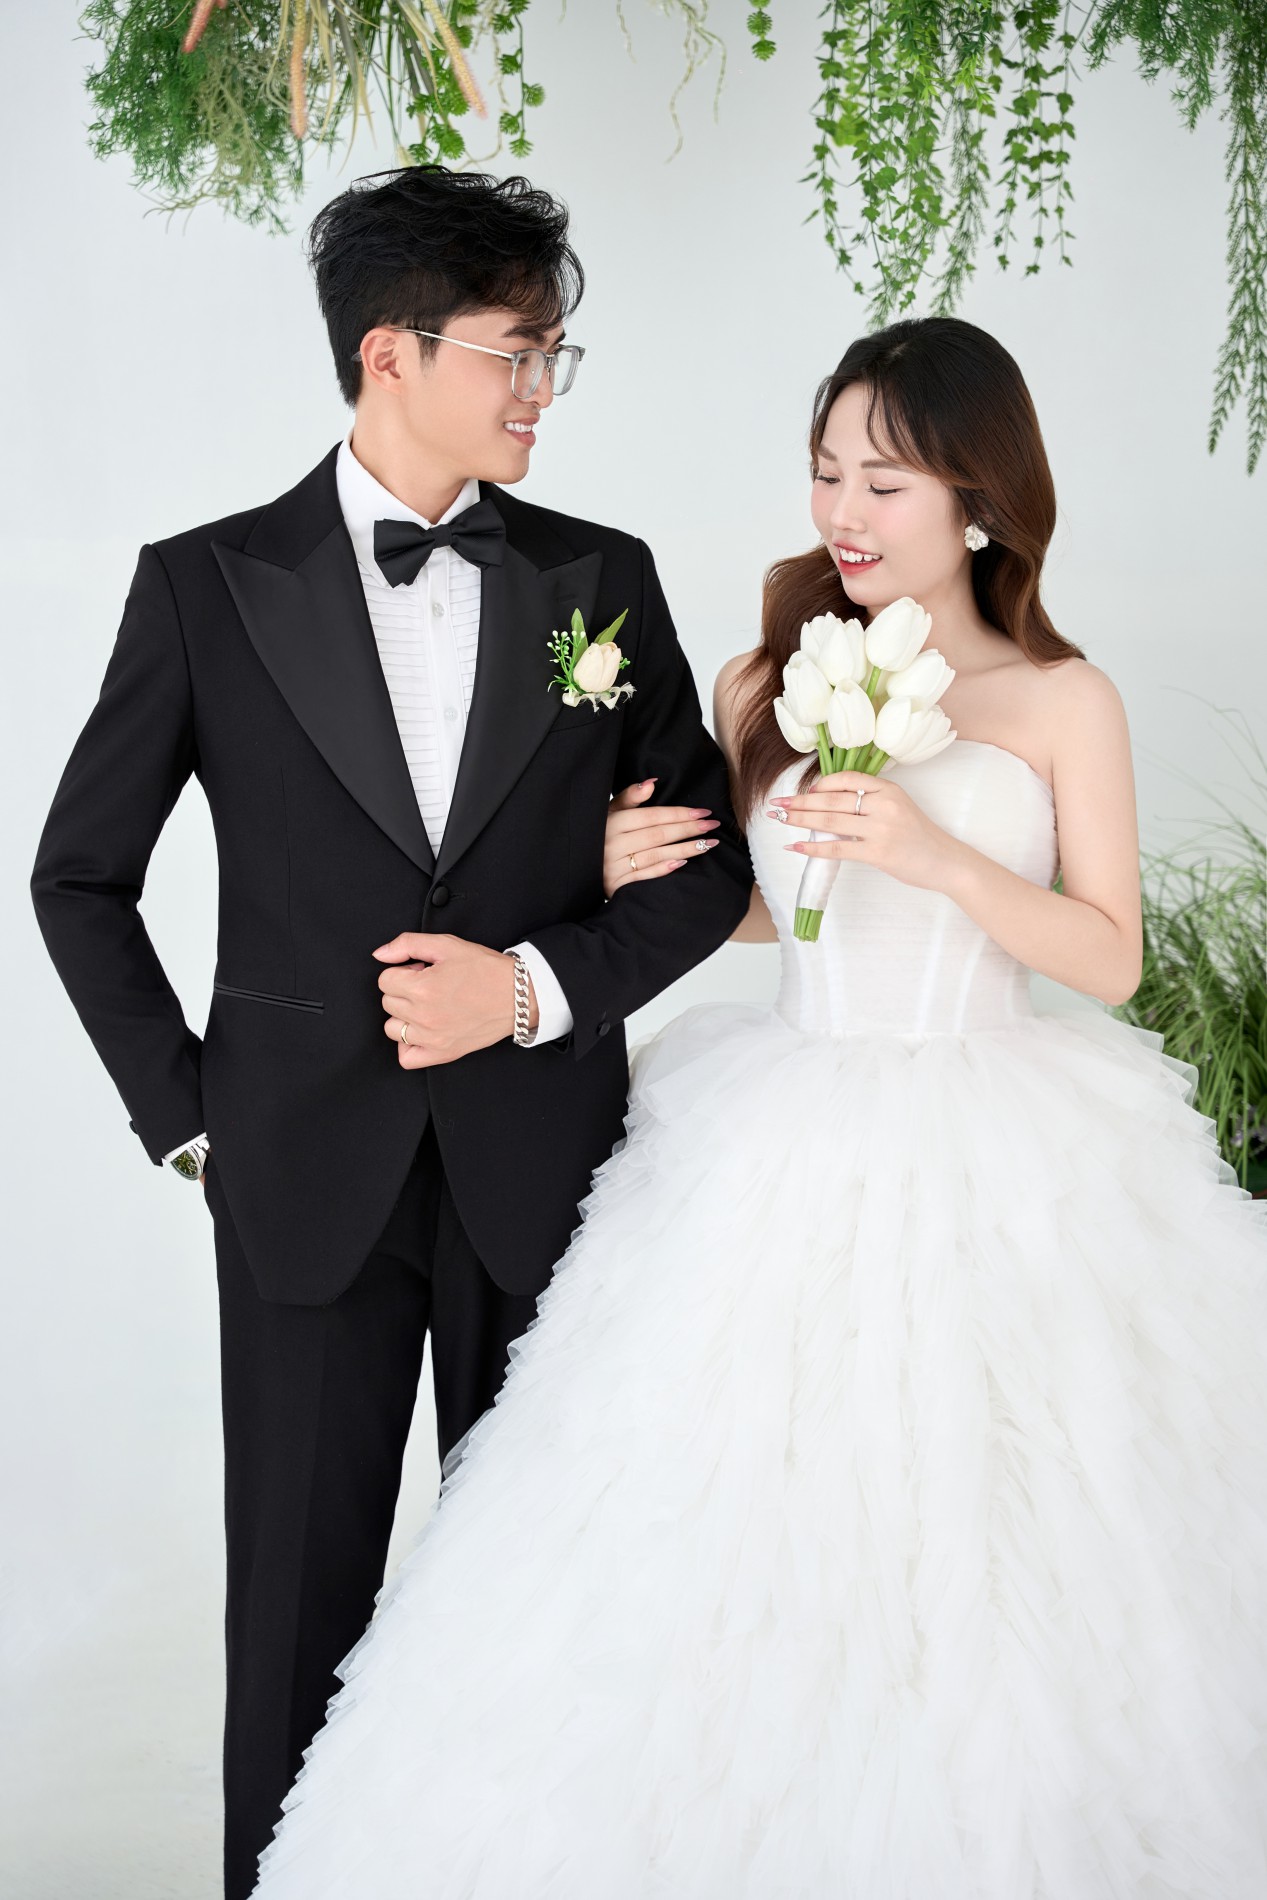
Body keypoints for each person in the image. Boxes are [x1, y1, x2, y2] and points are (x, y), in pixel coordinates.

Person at [242, 315, 1267, 1898]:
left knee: (985, 1520)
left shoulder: (1066, 698)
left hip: (988, 1131)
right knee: (711, 1519)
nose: (843, 513)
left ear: (980, 502)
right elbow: (751, 908)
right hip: (773, 1123)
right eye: (825, 472)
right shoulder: (764, 675)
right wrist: (608, 867)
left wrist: (938, 858)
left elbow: (1112, 957)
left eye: (884, 482)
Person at [28, 165, 753, 1900]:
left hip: (547, 1168)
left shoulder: (602, 578)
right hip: (294, 1175)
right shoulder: (203, 586)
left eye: (555, 352)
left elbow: (709, 870)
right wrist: (192, 1117)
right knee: (295, 1615)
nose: (541, 386)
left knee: (551, 1610)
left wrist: (530, 984)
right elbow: (79, 879)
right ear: (389, 354)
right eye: (515, 349)